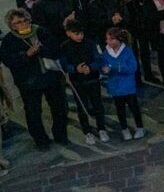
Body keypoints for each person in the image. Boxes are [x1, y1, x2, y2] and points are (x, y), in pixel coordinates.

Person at [0, 9, 69, 150]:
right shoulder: (8, 40)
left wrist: (41, 50)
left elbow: (56, 49)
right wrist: (26, 54)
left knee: (60, 108)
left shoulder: (41, 31)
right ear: (12, 26)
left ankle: (60, 135)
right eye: (18, 22)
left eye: (25, 20)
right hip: (29, 83)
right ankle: (41, 141)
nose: (23, 24)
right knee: (33, 113)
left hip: (50, 77)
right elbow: (8, 61)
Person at [60, 20, 108, 145]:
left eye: (81, 33)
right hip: (77, 82)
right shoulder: (65, 47)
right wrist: (75, 69)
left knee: (98, 105)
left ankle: (102, 128)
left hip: (93, 79)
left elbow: (98, 59)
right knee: (82, 107)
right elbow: (64, 64)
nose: (79, 36)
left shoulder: (90, 43)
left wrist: (91, 68)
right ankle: (87, 132)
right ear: (68, 33)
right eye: (76, 33)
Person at [101, 28, 146, 140]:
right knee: (120, 109)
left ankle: (140, 127)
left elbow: (133, 68)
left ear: (118, 40)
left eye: (110, 40)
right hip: (115, 87)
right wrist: (104, 69)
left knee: (134, 107)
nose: (108, 42)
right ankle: (124, 129)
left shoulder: (127, 51)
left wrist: (115, 67)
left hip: (128, 86)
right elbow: (103, 66)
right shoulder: (106, 53)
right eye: (107, 39)